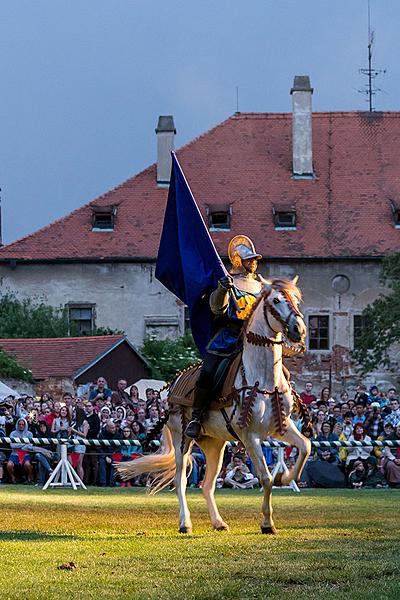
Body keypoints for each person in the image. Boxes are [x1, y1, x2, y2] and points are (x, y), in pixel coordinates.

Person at [185, 235, 264, 438]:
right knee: (208, 372)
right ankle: (197, 416)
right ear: (239, 261)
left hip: (255, 339)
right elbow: (217, 308)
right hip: (228, 336)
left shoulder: (261, 286)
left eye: (255, 260)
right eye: (250, 260)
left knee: (281, 373)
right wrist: (222, 290)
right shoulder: (228, 282)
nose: (254, 263)